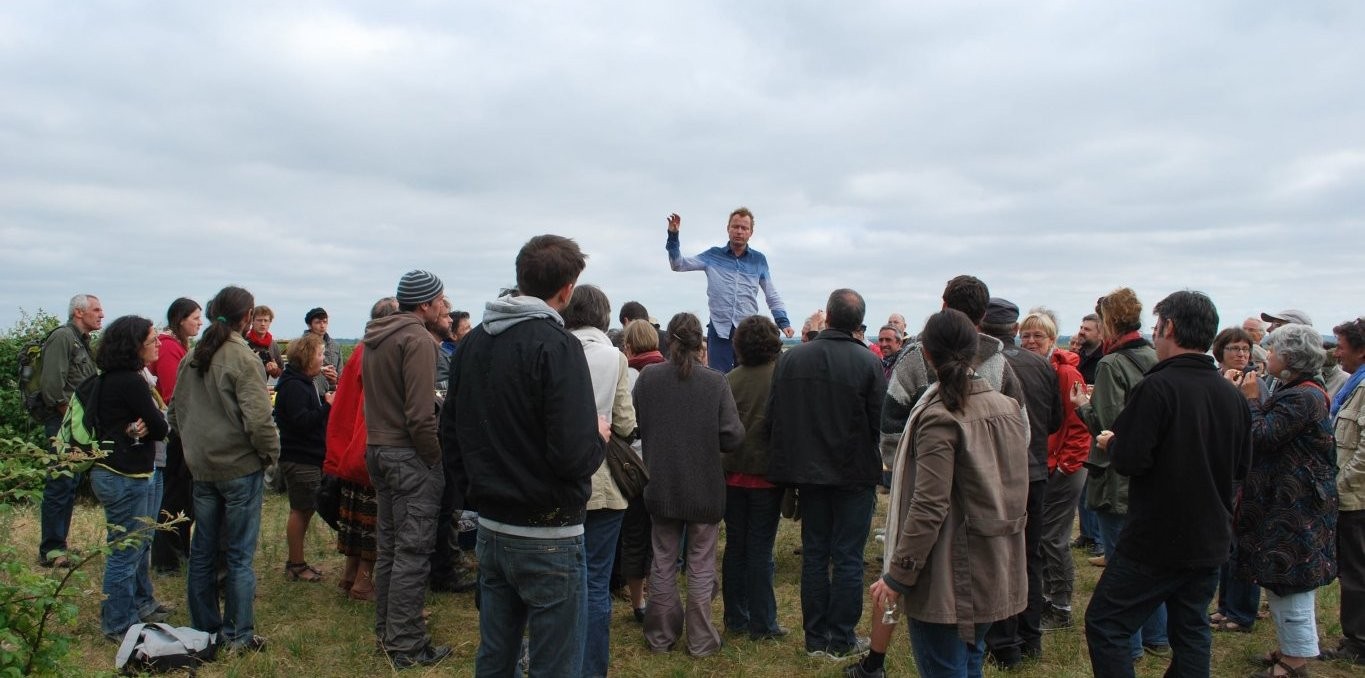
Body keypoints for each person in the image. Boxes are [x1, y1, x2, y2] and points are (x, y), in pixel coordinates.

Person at [441, 235, 606, 675]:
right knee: (553, 663)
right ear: (567, 290)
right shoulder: (556, 346)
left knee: (496, 655)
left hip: (493, 526)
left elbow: (450, 435)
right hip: (547, 532)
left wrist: (477, 495)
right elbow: (573, 454)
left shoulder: (473, 342)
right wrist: (599, 437)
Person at [1083, 290, 1251, 678]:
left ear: (1170, 328)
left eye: (1157, 329)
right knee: (1191, 629)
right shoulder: (1232, 395)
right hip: (1210, 534)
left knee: (1107, 623)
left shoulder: (1157, 388)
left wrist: (1113, 441)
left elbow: (1131, 460)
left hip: (1157, 538)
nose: (1154, 337)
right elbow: (1242, 465)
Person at [863, 309, 1030, 678]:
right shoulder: (1008, 408)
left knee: (948, 666)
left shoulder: (940, 416)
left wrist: (898, 574)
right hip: (995, 559)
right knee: (970, 659)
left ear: (926, 354)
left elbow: (928, 505)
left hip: (949, 573)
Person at [767, 289, 887, 661]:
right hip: (852, 472)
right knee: (847, 557)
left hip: (811, 472)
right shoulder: (867, 363)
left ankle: (816, 636)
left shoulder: (793, 360)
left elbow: (775, 417)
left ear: (829, 318)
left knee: (817, 554)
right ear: (857, 323)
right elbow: (878, 421)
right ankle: (839, 637)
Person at [168, 286, 278, 652]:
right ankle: (238, 635)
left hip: (203, 469)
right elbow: (260, 422)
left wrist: (195, 450)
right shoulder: (242, 358)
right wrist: (269, 455)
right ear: (246, 317)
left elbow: (174, 414)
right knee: (238, 556)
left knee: (203, 550)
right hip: (238, 468)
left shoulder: (192, 357)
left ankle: (205, 628)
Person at [1226, 323, 1337, 678]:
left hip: (1295, 506)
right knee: (1280, 577)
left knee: (1291, 579)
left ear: (1289, 358)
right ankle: (1292, 647)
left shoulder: (1302, 396)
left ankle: (1295, 662)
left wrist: (1251, 400)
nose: (1266, 355)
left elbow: (1261, 436)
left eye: (1273, 351)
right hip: (1288, 502)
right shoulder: (1297, 390)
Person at [635, 311, 744, 657]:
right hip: (703, 487)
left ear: (669, 341)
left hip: (661, 483)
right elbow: (733, 436)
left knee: (663, 561)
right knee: (700, 563)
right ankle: (700, 640)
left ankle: (660, 638)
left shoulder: (649, 379)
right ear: (701, 343)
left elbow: (637, 420)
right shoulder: (714, 382)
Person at [1070, 287, 1168, 660]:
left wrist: (1083, 407)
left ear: (1108, 322)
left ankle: (1130, 645)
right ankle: (1157, 636)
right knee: (1149, 563)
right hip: (1150, 474)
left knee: (1121, 566)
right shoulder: (1152, 356)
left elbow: (1108, 426)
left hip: (1116, 475)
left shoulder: (1112, 364)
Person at [362, 270, 451, 669]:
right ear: (425, 305)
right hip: (409, 454)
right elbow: (419, 415)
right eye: (440, 301)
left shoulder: (376, 336)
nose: (444, 307)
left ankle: (387, 631)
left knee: (391, 547)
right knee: (413, 552)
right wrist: (433, 457)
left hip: (378, 449)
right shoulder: (417, 339)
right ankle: (407, 645)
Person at [979, 298, 1061, 667]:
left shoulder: (985, 365)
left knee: (998, 557)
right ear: (1014, 330)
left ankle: (1003, 643)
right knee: (1030, 556)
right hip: (1035, 471)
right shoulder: (1041, 366)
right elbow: (1055, 420)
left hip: (999, 474)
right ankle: (1030, 636)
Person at [563, 284, 638, 677]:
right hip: (603, 478)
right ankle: (592, 668)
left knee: (560, 581)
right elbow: (625, 422)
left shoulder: (554, 345)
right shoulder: (614, 357)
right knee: (595, 581)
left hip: (559, 479)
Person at [89, 315, 171, 640]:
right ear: (135, 346)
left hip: (120, 470)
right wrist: (150, 424)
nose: (158, 344)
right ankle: (118, 624)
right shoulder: (132, 382)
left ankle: (139, 604)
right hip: (126, 474)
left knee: (135, 545)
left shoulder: (110, 377)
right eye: (153, 340)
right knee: (126, 551)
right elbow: (161, 427)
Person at [1018, 310, 1091, 631]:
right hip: (1046, 465)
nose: (1031, 340)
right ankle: (1048, 597)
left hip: (1065, 467)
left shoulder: (1064, 373)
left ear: (1051, 339)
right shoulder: (1040, 368)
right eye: (1027, 335)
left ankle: (1060, 606)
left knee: (1053, 537)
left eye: (1039, 336)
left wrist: (1066, 464)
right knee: (1042, 535)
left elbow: (1077, 425)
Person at [324, 297, 398, 604]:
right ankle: (364, 583)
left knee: (355, 517)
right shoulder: (377, 351)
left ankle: (349, 575)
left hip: (350, 448)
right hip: (366, 447)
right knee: (371, 521)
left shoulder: (360, 349)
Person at [665, 208, 795, 372]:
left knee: (749, 376)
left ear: (750, 233)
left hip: (747, 331)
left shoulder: (759, 260)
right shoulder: (713, 255)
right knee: (719, 377)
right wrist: (673, 236)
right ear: (728, 229)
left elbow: (771, 294)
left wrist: (783, 321)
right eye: (735, 227)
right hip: (719, 329)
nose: (739, 231)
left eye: (744, 228)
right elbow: (678, 265)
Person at [722, 315, 787, 641]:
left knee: (736, 547)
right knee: (760, 550)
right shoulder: (780, 377)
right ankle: (763, 624)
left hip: (732, 474)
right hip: (766, 477)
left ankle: (736, 617)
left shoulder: (729, 379)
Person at [36, 293, 103, 568]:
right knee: (60, 483)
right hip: (63, 423)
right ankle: (51, 549)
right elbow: (52, 386)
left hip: (76, 424)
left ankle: (58, 544)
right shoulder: (63, 337)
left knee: (69, 483)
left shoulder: (82, 341)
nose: (101, 314)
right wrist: (71, 423)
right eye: (96, 309)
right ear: (79, 312)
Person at [1206, 327, 1263, 633]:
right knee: (1225, 543)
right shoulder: (1215, 380)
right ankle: (1225, 605)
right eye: (1234, 349)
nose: (1241, 355)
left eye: (1245, 349)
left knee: (1242, 543)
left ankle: (1242, 611)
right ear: (1220, 352)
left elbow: (1257, 429)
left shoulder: (1256, 384)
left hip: (1244, 475)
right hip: (1220, 471)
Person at [273, 333, 334, 583]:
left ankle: (297, 562)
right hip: (300, 458)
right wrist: (328, 406)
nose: (323, 359)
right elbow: (301, 422)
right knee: (301, 510)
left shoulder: (303, 381)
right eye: (320, 354)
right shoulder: (294, 386)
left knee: (305, 509)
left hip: (307, 456)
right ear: (308, 356)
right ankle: (296, 564)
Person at [619, 318, 667, 623]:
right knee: (662, 537)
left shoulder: (625, 375)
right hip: (663, 464)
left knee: (634, 535)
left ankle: (638, 602)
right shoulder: (669, 374)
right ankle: (660, 595)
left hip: (632, 466)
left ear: (629, 345)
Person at [149, 297, 202, 574]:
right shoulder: (170, 349)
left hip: (182, 432)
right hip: (176, 434)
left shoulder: (179, 346)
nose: (199, 322)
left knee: (184, 498)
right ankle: (166, 559)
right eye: (195, 317)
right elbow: (173, 395)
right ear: (180, 319)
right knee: (174, 497)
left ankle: (180, 552)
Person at [1324, 317, 1365, 666]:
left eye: (1342, 347)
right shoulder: (1356, 382)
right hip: (1353, 493)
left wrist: (1341, 484)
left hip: (1357, 498)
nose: (1337, 353)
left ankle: (1359, 641)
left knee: (1357, 571)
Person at [305, 307, 341, 394]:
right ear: (309, 325)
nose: (322, 326)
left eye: (325, 322)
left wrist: (335, 380)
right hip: (308, 393)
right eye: (317, 322)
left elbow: (341, 374)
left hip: (331, 393)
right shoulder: (302, 345)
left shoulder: (335, 345)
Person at [244, 305, 283, 382]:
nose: (262, 324)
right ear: (252, 321)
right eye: (259, 320)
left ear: (270, 322)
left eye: (266, 320)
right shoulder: (243, 342)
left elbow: (280, 370)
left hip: (262, 388)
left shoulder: (273, 345)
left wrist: (274, 370)